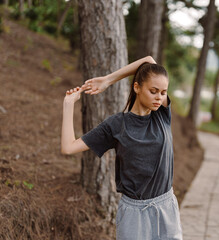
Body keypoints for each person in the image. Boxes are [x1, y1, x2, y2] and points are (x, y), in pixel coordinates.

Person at [61, 56, 183, 240]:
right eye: (153, 91)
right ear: (137, 87)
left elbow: (149, 59)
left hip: (165, 209)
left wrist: (108, 80)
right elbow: (68, 148)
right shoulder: (116, 125)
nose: (159, 97)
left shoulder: (161, 114)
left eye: (163, 92)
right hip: (134, 214)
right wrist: (68, 105)